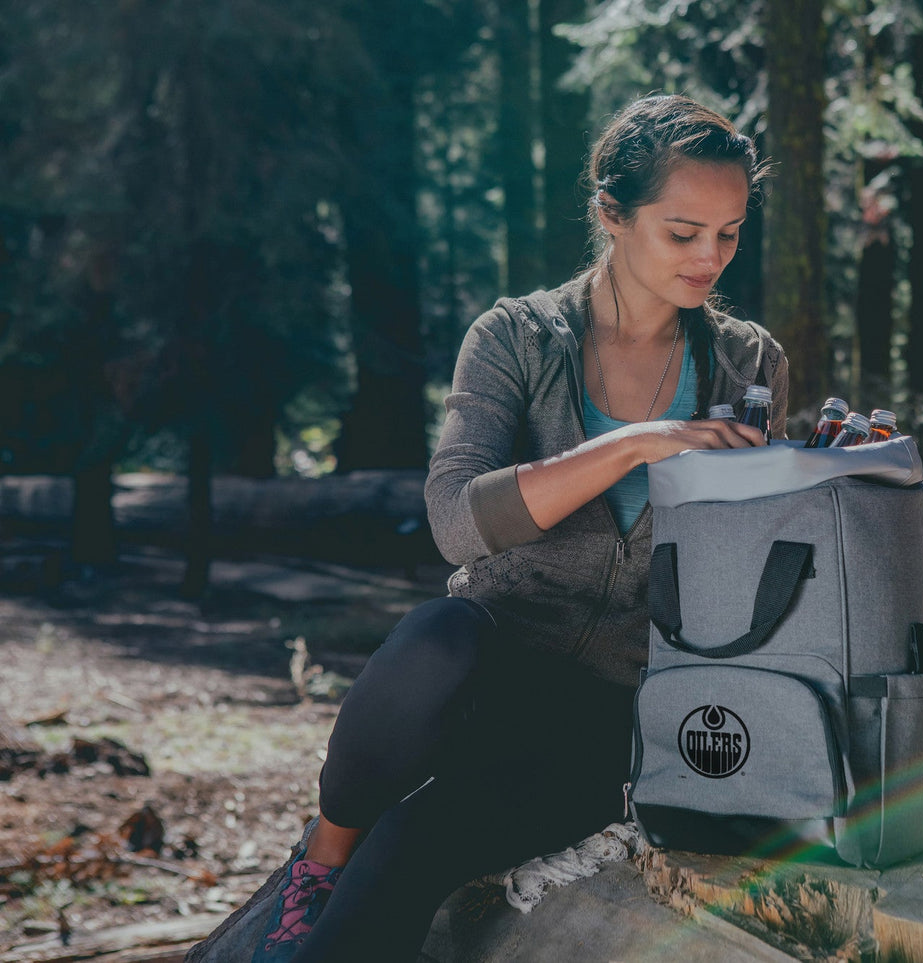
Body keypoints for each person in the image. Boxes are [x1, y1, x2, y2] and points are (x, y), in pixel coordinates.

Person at [187, 93, 788, 963]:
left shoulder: (747, 362)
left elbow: (750, 564)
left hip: (619, 714)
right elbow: (455, 521)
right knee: (438, 632)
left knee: (415, 847)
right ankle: (319, 859)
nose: (709, 257)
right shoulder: (515, 338)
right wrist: (633, 445)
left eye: (728, 233)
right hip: (480, 673)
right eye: (683, 230)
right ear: (610, 215)